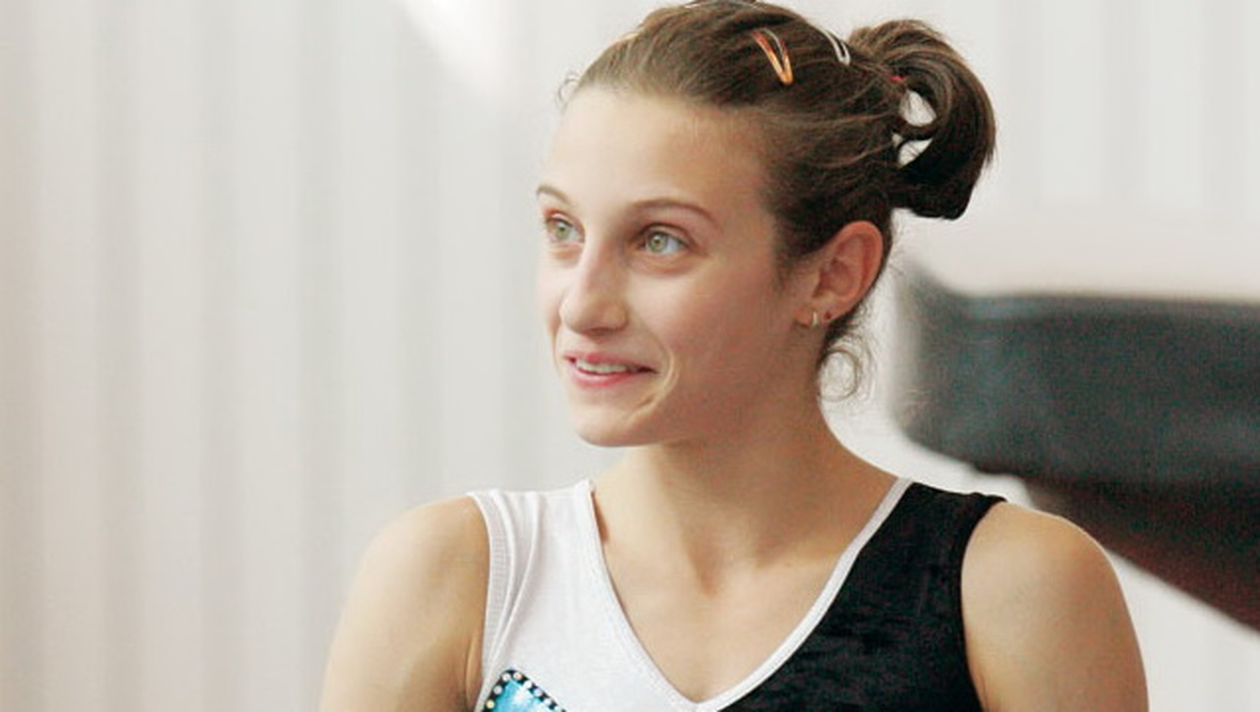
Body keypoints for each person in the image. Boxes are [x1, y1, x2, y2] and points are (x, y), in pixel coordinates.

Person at [319, 1, 1147, 710]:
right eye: (563, 229)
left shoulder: (1009, 590)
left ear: (833, 273)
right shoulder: (457, 580)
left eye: (660, 240)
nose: (580, 305)